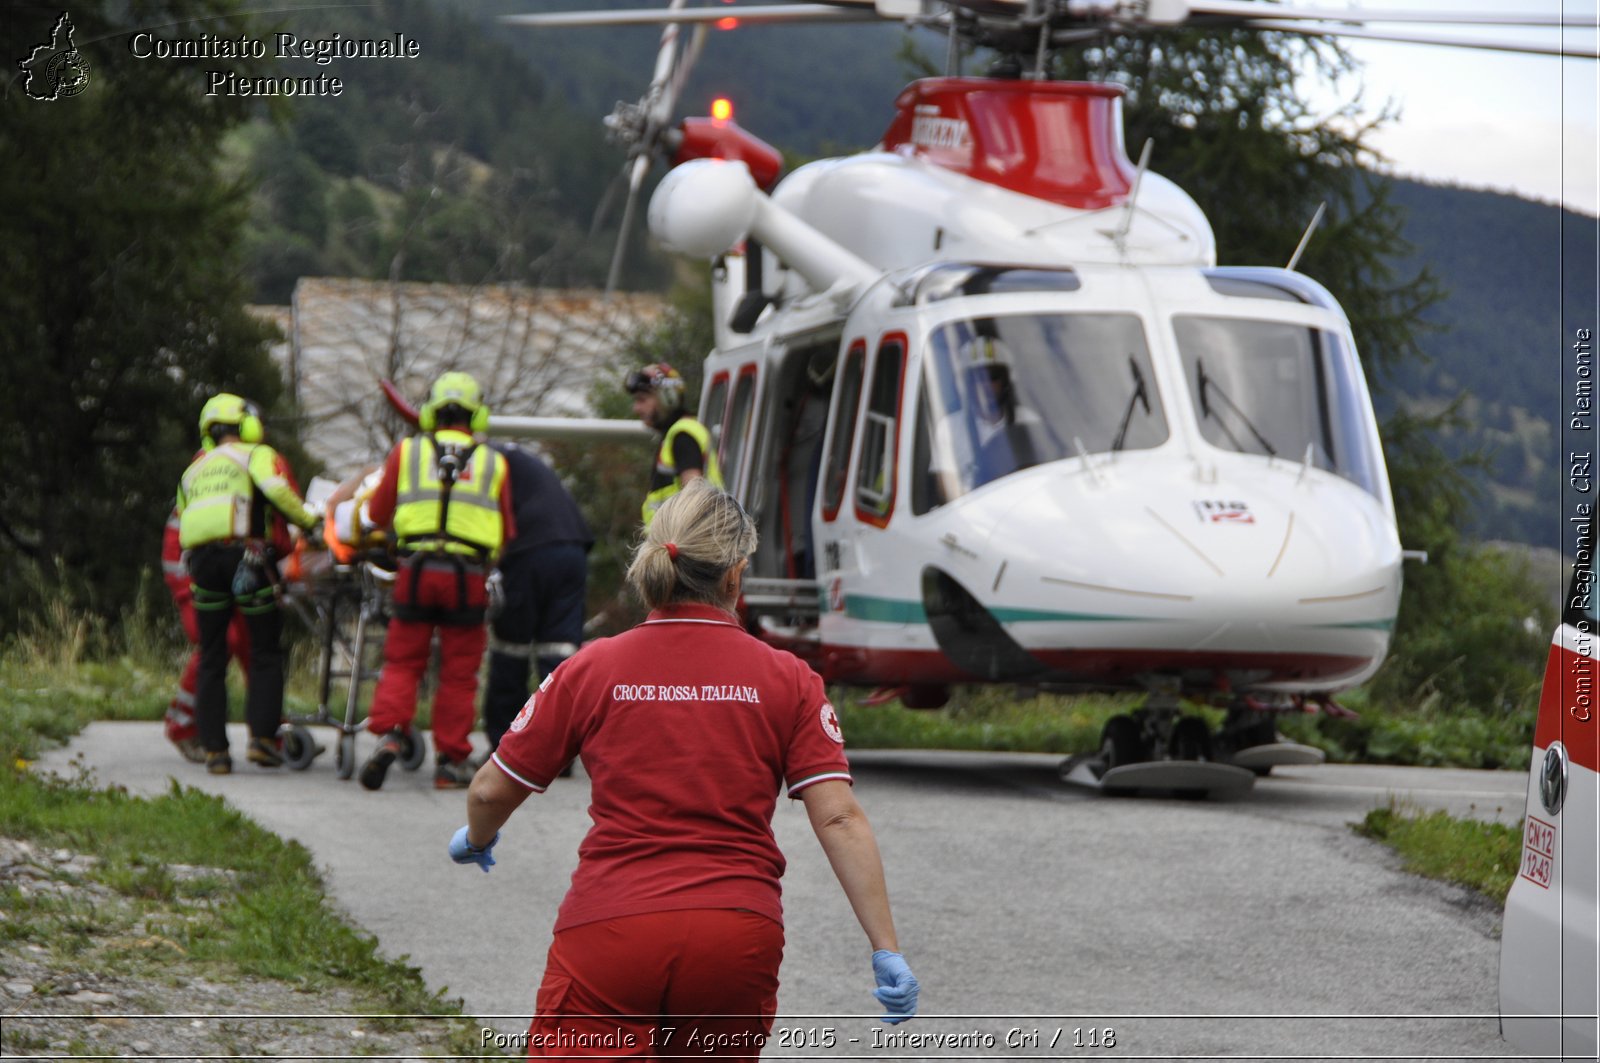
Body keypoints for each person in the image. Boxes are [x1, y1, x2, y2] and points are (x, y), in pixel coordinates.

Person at [448, 480, 919, 1056]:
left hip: (612, 927)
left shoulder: (592, 668)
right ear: (735, 574)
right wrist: (884, 946)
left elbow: (491, 789)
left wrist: (476, 837)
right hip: (737, 932)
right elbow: (840, 818)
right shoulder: (790, 678)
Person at [360, 371, 515, 791]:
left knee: (403, 661)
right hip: (467, 578)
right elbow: (507, 531)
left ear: (431, 409)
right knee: (459, 673)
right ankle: (450, 761)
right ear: (476, 412)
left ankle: (392, 737)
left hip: (415, 571)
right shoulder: (493, 461)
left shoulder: (406, 452)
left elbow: (376, 513)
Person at [175, 393, 320, 775]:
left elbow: (183, 516)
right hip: (247, 560)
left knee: (211, 655)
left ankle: (215, 752)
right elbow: (276, 491)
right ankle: (261, 742)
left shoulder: (194, 468)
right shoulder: (255, 454)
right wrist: (311, 522)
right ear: (247, 426)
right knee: (265, 650)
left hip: (203, 566)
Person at [481, 442, 593, 754]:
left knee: (510, 649)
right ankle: (560, 751)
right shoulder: (514, 458)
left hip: (529, 551)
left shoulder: (479, 463)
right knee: (559, 651)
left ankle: (505, 747)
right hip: (572, 547)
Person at [161, 494, 250, 764]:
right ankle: (181, 724)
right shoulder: (216, 470)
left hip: (219, 571)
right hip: (194, 576)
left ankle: (272, 731)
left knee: (252, 643)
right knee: (221, 641)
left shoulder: (232, 464)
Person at [625, 362, 724, 526]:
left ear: (668, 398)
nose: (636, 408)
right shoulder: (678, 433)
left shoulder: (682, 435)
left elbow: (695, 496)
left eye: (642, 399)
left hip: (683, 545)